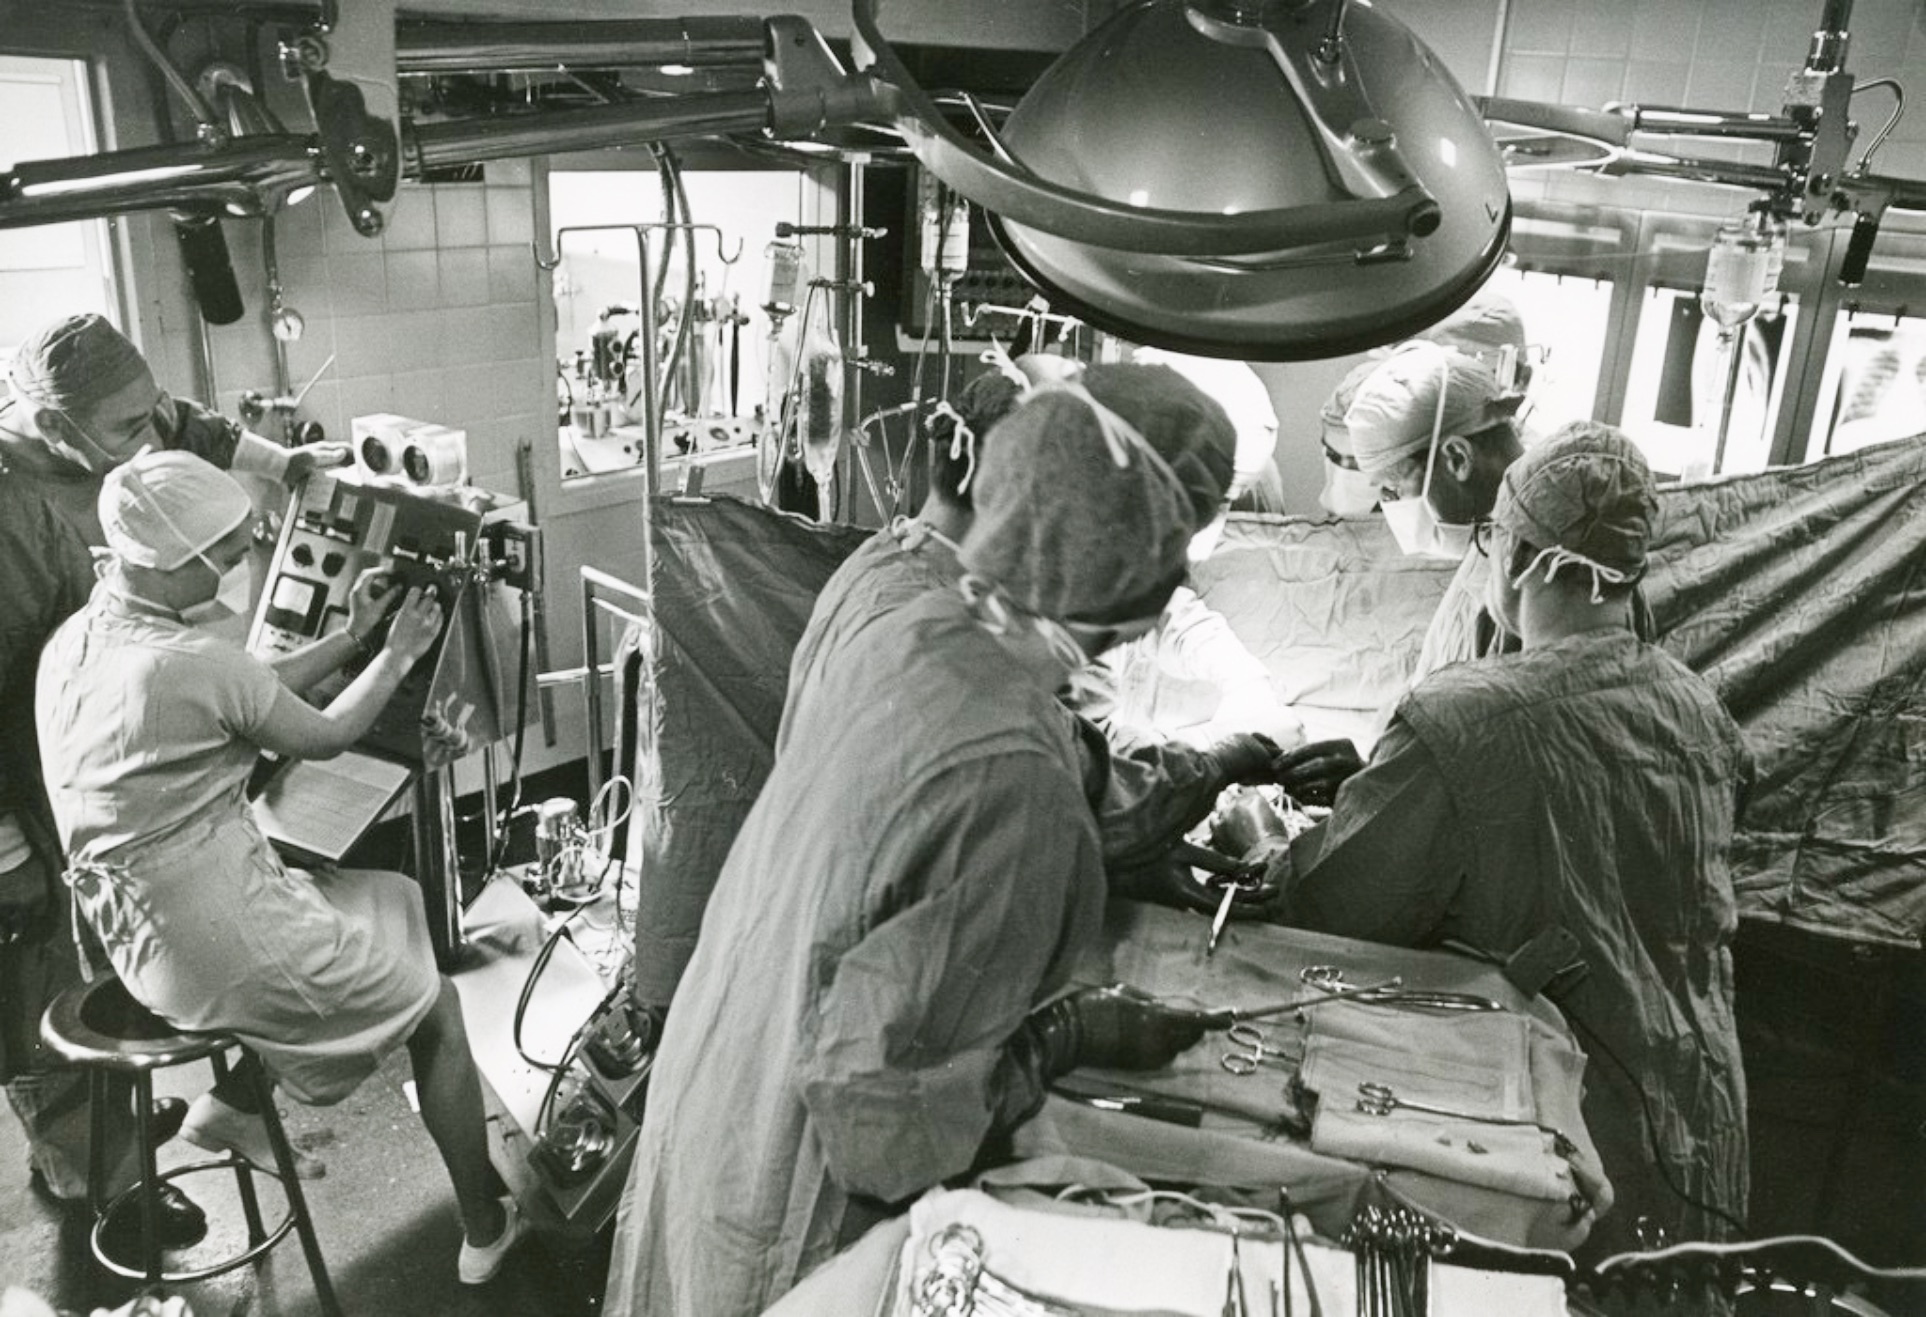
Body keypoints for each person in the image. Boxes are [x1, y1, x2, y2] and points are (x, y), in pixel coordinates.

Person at [604, 371, 1232, 1317]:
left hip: (722, 1076)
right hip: (793, 1196)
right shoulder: (1020, 784)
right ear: (1150, 579)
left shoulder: (919, 622)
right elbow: (879, 1126)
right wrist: (1061, 1038)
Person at [34, 451, 527, 1284]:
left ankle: (233, 1103)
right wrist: (398, 653)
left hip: (140, 941)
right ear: (173, 559)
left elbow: (249, 688)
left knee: (395, 896)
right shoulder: (187, 661)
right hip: (216, 943)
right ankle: (486, 1226)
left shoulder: (83, 638)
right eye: (226, 554)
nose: (238, 565)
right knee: (438, 1007)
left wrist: (354, 635)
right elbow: (323, 733)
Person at [1266, 422, 1751, 1259]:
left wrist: (1283, 831)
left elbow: (1330, 904)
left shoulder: (1465, 718)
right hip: (1698, 1121)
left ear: (1521, 554)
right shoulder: (1699, 710)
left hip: (1555, 1136)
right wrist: (1394, 782)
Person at [0, 314, 345, 1244]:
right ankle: (91, 1170)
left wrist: (289, 466)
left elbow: (185, 422)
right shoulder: (8, 510)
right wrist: (8, 847)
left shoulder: (112, 419)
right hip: (29, 775)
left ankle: (114, 1112)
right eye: (124, 427)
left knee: (120, 944)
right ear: (53, 426)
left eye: (144, 409)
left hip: (117, 767)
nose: (145, 436)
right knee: (36, 972)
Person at [1347, 339, 1527, 685]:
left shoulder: (1531, 568)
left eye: (1393, 488)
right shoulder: (1493, 536)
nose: (1391, 505)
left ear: (1457, 458)